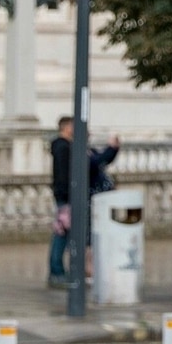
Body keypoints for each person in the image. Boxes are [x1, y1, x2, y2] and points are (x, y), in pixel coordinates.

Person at [48, 115, 118, 285]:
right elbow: (66, 173)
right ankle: (57, 272)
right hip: (68, 197)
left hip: (73, 197)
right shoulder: (64, 147)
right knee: (63, 234)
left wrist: (112, 149)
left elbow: (98, 161)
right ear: (66, 128)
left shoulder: (74, 146)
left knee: (70, 234)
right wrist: (65, 198)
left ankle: (68, 271)